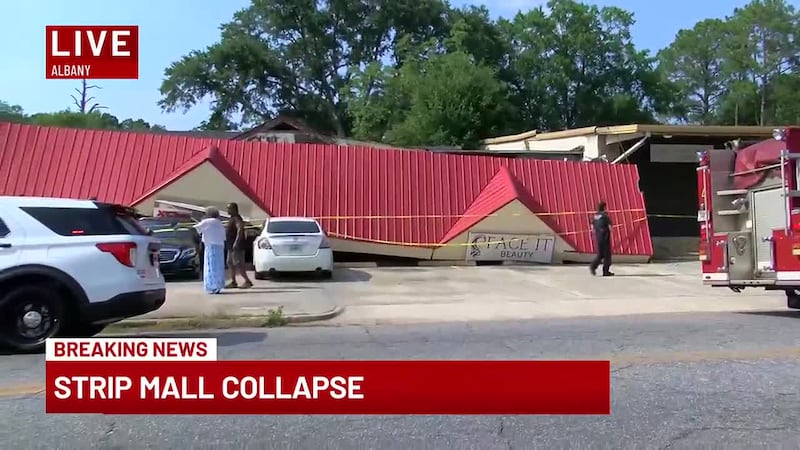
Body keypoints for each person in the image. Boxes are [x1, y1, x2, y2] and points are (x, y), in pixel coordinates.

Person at [193, 207, 226, 294]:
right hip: (220, 246)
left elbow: (196, 229)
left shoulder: (207, 221)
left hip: (211, 245)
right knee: (218, 266)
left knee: (211, 265)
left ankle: (212, 286)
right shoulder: (219, 222)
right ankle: (218, 285)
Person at [225, 202, 253, 289]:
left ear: (234, 209)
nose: (227, 210)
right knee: (230, 263)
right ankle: (233, 282)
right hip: (230, 246)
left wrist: (236, 243)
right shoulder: (232, 218)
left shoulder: (237, 218)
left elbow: (240, 229)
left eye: (229, 208)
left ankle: (247, 281)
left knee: (238, 264)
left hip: (236, 246)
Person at [589, 201, 614, 277]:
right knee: (607, 255)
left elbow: (592, 227)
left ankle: (593, 266)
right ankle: (606, 271)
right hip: (605, 236)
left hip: (598, 237)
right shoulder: (605, 216)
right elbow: (610, 227)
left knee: (600, 254)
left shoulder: (595, 216)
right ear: (604, 207)